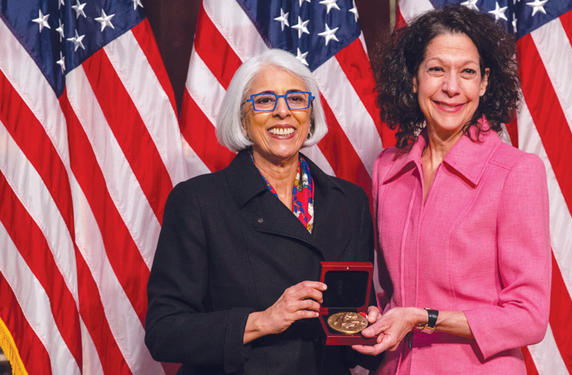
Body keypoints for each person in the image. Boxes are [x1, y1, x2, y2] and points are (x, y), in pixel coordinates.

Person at [145, 49, 379, 375]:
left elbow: (355, 327)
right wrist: (262, 321)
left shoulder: (349, 202)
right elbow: (164, 332)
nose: (283, 112)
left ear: (310, 114)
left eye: (296, 99)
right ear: (242, 118)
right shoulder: (198, 202)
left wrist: (372, 333)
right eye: (265, 101)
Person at [352, 5, 551, 374]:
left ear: (485, 82)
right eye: (436, 69)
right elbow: (388, 292)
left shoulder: (517, 173)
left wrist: (423, 318)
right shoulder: (387, 169)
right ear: (413, 78)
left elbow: (530, 316)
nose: (451, 87)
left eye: (468, 72)